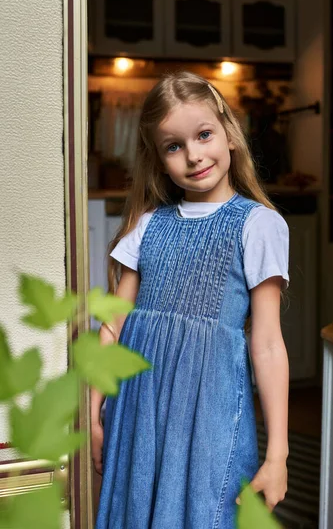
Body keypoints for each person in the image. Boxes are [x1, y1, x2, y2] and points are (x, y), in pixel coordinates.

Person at [92, 71, 290, 529]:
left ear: (230, 134)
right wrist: (95, 414)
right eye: (174, 146)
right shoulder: (146, 226)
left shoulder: (257, 225)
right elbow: (113, 326)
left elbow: (267, 345)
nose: (194, 155)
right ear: (158, 159)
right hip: (136, 415)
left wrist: (277, 454)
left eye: (204, 135)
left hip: (209, 418)